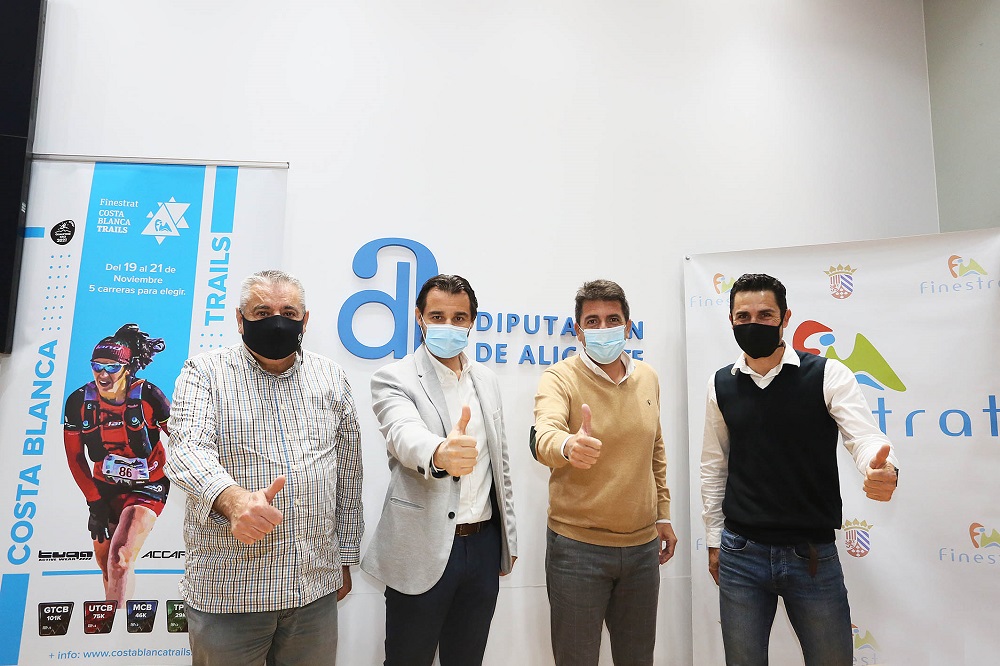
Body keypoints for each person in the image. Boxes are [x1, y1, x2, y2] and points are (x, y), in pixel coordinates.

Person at [165, 269, 363, 666]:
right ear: (240, 320)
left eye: (288, 313)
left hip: (314, 588)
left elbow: (348, 472)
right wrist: (233, 500)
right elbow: (186, 450)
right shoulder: (204, 373)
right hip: (231, 591)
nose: (276, 322)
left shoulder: (331, 376)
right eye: (261, 312)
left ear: (305, 321)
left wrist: (345, 555)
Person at [701, 273, 899, 666]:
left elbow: (864, 438)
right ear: (731, 321)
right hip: (740, 553)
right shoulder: (720, 383)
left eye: (765, 314)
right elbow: (714, 465)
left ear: (785, 317)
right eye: (743, 316)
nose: (753, 324)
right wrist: (713, 539)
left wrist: (883, 468)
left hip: (811, 555)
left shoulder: (827, 375)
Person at [362, 274, 517, 666]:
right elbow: (402, 433)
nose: (448, 325)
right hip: (421, 547)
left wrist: (508, 541)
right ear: (419, 318)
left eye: (458, 317)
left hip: (482, 546)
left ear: (472, 322)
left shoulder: (487, 380)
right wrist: (439, 453)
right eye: (437, 316)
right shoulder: (394, 377)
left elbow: (500, 464)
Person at [532, 278, 677, 666]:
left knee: (638, 659)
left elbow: (655, 450)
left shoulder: (648, 377)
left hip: (642, 549)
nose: (603, 328)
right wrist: (568, 446)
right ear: (578, 330)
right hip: (577, 551)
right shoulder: (559, 377)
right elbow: (544, 433)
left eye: (612, 319)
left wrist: (662, 514)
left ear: (628, 326)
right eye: (592, 321)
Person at [63, 323, 171, 607]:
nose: (103, 374)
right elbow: (75, 457)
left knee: (120, 557)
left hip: (148, 485)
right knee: (106, 563)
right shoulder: (78, 401)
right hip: (105, 488)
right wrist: (94, 502)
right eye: (97, 366)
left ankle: (115, 624)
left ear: (127, 368)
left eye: (112, 367)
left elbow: (183, 439)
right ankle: (115, 618)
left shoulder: (149, 396)